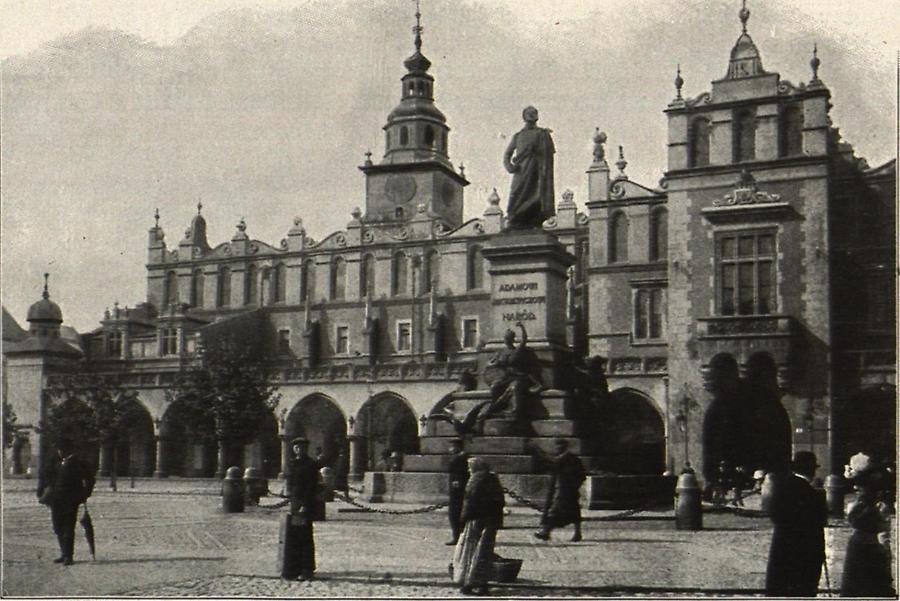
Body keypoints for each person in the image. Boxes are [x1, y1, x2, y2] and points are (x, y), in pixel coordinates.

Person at [760, 451, 827, 597]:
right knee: (802, 587)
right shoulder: (810, 492)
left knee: (781, 584)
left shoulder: (783, 485)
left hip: (782, 544)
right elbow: (820, 521)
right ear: (811, 470)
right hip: (804, 550)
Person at [840, 452, 896, 597]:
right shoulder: (876, 498)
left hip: (864, 544)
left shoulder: (868, 502)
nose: (855, 488)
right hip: (873, 544)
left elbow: (856, 519)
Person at [36, 437, 95, 566]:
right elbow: (47, 478)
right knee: (57, 527)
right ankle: (63, 553)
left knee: (68, 527)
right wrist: (43, 493)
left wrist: (85, 494)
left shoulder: (78, 463)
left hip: (71, 500)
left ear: (67, 450)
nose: (59, 452)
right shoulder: (56, 462)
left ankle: (69, 556)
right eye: (59, 450)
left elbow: (90, 479)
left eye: (61, 449)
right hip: (56, 500)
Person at [451, 457, 505, 596]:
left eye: (470, 467)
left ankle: (468, 584)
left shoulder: (475, 479)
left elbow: (469, 501)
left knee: (470, 552)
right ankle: (482, 584)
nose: (469, 470)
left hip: (476, 521)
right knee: (484, 553)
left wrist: (463, 519)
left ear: (476, 468)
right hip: (490, 521)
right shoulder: (493, 479)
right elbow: (500, 500)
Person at [503, 106, 556, 230]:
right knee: (516, 195)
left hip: (537, 171)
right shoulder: (518, 135)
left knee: (537, 195)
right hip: (521, 171)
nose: (532, 115)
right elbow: (507, 153)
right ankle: (514, 220)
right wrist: (509, 166)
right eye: (529, 113)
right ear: (524, 116)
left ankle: (534, 220)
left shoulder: (542, 133)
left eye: (534, 113)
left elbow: (549, 154)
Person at [282, 437, 321, 581]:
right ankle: (293, 569)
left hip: (306, 502)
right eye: (297, 447)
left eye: (302, 447)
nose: (299, 449)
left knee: (305, 537)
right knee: (293, 536)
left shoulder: (311, 465)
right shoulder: (292, 464)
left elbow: (312, 486)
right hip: (294, 502)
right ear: (294, 449)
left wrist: (305, 504)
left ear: (306, 449)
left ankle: (306, 569)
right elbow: (290, 482)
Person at [533, 438, 586, 542]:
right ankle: (577, 533)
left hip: (563, 489)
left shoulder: (565, 458)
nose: (557, 448)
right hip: (566, 489)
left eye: (559, 446)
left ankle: (546, 532)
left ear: (564, 447)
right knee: (574, 512)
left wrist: (537, 450)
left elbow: (551, 462)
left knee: (556, 510)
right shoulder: (572, 458)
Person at [446, 438, 469, 546]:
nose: (450, 449)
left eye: (452, 446)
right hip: (459, 489)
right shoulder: (463, 457)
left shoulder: (459, 458)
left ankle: (457, 537)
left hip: (457, 490)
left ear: (457, 447)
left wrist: (456, 483)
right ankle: (459, 536)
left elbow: (458, 474)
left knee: (454, 514)